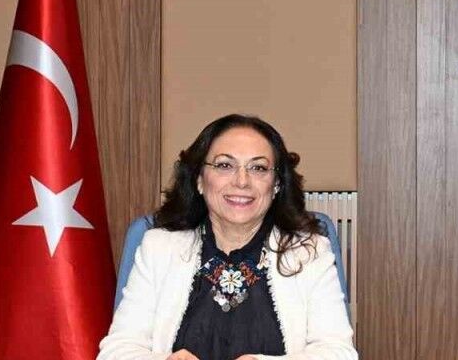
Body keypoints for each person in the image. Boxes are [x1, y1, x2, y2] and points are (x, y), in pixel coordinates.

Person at [99, 114, 356, 360]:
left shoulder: (309, 251)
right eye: (225, 165)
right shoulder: (159, 248)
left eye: (258, 168)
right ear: (199, 180)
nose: (242, 181)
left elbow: (339, 353)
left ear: (276, 184)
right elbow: (117, 350)